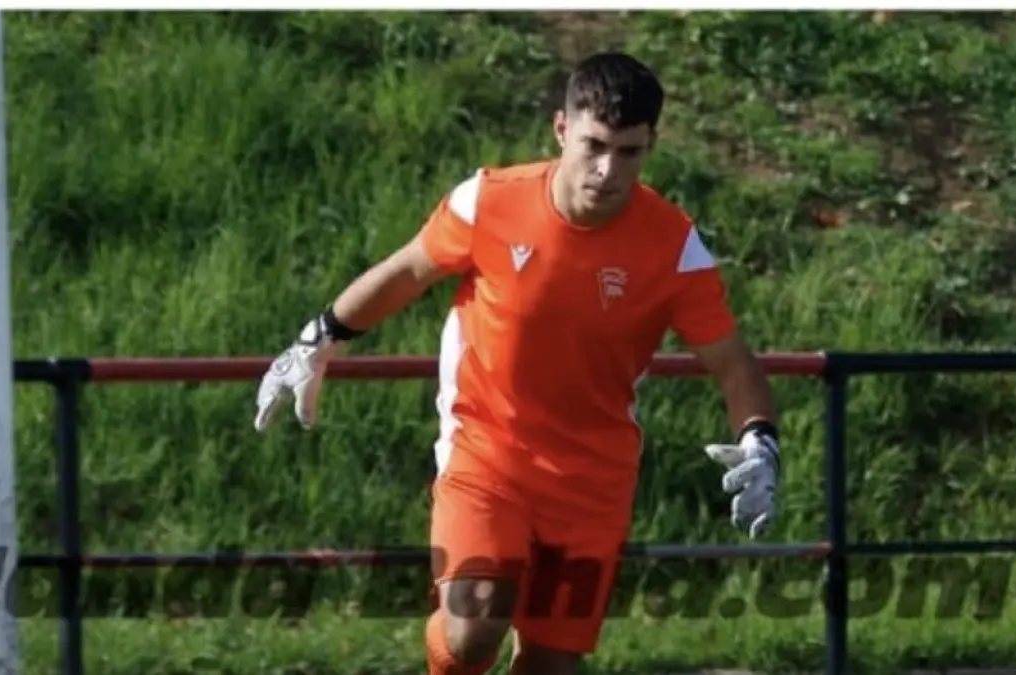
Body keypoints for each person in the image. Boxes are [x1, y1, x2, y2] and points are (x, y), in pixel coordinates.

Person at [253, 51, 783, 675]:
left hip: (594, 479)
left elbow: (732, 362)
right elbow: (409, 270)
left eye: (629, 153)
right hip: (488, 451)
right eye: (594, 145)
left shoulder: (675, 246)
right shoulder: (489, 201)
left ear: (651, 145)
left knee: (550, 665)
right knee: (474, 626)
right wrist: (320, 337)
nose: (608, 170)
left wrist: (761, 441)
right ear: (561, 128)